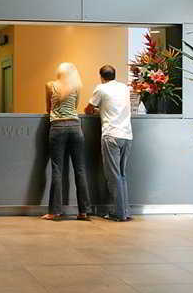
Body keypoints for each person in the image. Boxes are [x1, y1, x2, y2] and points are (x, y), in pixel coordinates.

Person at [42, 63, 91, 221]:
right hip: (76, 127)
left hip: (57, 127)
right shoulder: (76, 87)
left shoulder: (50, 85)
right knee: (80, 170)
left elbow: (48, 109)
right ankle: (83, 211)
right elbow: (75, 107)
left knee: (57, 170)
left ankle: (54, 211)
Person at [85, 64, 133, 222]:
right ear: (114, 75)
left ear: (101, 76)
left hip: (111, 135)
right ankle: (125, 211)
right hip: (126, 135)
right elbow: (117, 108)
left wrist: (98, 110)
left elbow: (89, 109)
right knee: (122, 175)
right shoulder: (125, 88)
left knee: (113, 176)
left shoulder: (101, 88)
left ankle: (119, 213)